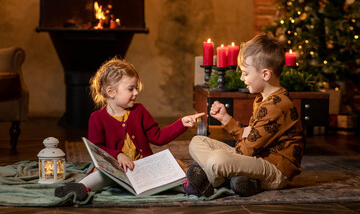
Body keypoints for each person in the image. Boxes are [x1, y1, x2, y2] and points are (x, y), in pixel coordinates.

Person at [55, 57, 204, 201]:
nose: (136, 93)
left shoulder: (139, 111)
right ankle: (81, 187)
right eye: (130, 89)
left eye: (136, 88)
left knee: (162, 175)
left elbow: (158, 137)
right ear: (111, 91)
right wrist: (118, 155)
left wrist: (181, 124)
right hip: (114, 170)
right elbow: (98, 148)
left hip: (142, 168)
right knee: (100, 176)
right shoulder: (97, 118)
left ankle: (189, 186)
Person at [182, 34, 305, 197]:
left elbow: (247, 149)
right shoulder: (262, 98)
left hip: (275, 170)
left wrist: (228, 157)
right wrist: (226, 120)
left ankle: (207, 181)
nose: (241, 78)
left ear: (266, 74)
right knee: (197, 142)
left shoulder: (277, 105)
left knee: (216, 160)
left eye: (245, 73)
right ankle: (238, 180)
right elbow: (251, 136)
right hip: (256, 157)